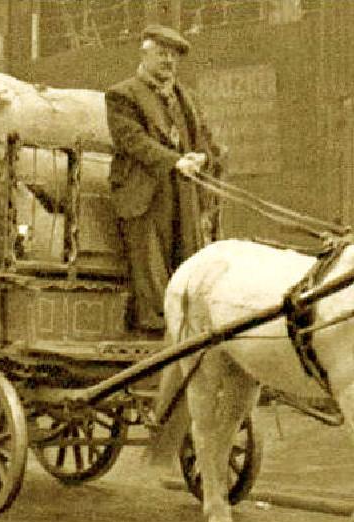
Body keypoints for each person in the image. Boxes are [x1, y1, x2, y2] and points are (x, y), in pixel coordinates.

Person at [105, 24, 222, 332]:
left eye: (172, 56)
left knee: (189, 260)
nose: (168, 61)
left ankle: (188, 326)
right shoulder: (122, 95)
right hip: (144, 193)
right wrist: (174, 161)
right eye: (161, 54)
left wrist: (201, 157)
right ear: (144, 55)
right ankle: (156, 327)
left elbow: (203, 139)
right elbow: (132, 141)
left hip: (183, 190)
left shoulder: (187, 98)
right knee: (152, 266)